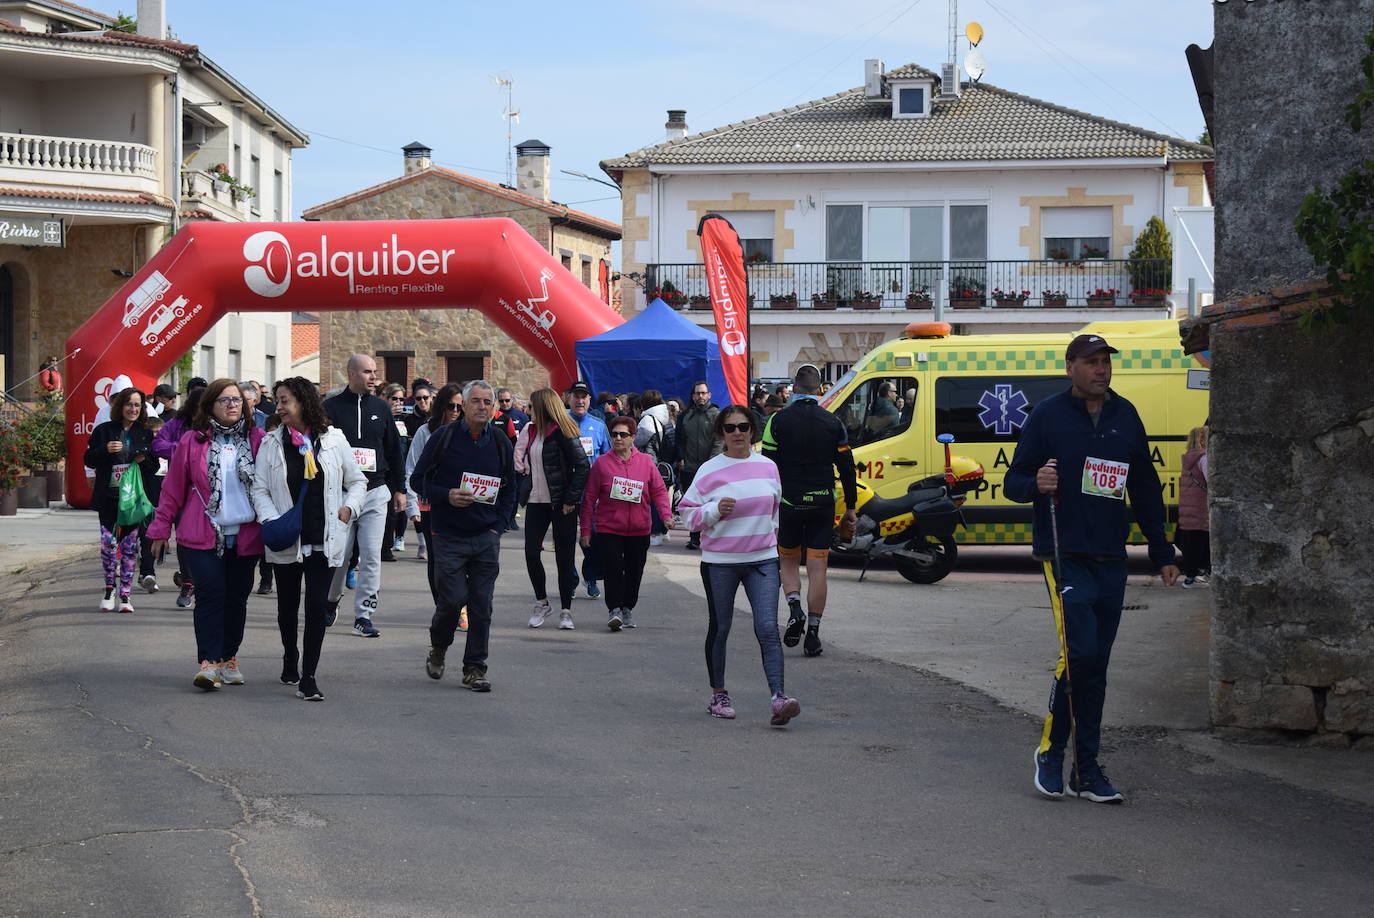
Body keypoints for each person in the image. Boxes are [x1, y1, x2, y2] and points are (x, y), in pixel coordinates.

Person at [1005, 333, 1180, 804]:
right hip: (1063, 555)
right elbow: (1013, 481)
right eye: (1091, 362)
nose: (1101, 370)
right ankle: (1051, 751)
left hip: (1111, 556)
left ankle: (1087, 769)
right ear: (1070, 368)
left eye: (1105, 362)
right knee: (1078, 655)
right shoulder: (1047, 416)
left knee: (1097, 665)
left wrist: (1163, 552)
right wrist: (1035, 482)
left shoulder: (1126, 416)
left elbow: (1144, 488)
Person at [678, 405, 800, 727]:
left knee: (767, 627)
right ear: (721, 433)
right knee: (721, 627)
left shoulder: (769, 467)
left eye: (743, 427)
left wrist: (772, 544)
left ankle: (779, 698)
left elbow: (774, 511)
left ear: (752, 431)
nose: (737, 434)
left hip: (762, 558)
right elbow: (687, 514)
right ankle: (719, 695)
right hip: (721, 562)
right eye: (730, 428)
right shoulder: (708, 470)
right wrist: (715, 510)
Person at [250, 377, 367, 702]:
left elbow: (357, 481)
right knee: (287, 607)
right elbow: (259, 488)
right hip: (288, 536)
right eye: (278, 401)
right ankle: (290, 656)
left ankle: (309, 677)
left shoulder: (333, 440)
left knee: (316, 608)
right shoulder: (272, 443)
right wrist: (271, 518)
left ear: (303, 401)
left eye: (285, 400)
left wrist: (348, 508)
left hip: (324, 537)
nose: (279, 407)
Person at [148, 379, 266, 691]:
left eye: (237, 400)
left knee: (236, 599)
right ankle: (209, 663)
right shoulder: (192, 441)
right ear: (210, 405)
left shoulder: (258, 439)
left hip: (246, 534)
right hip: (202, 533)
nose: (232, 405)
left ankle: (229, 658)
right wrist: (160, 529)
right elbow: (172, 491)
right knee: (211, 596)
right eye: (224, 400)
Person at [410, 380, 515, 692]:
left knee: (482, 606)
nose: (482, 407)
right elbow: (418, 479)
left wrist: (499, 526)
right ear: (464, 405)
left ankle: (474, 668)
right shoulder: (444, 437)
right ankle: (439, 647)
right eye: (476, 402)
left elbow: (511, 488)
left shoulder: (499, 442)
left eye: (487, 402)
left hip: (485, 536)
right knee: (452, 601)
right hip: (448, 536)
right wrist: (446, 495)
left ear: (494, 407)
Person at [761, 364, 858, 658]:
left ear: (793, 388)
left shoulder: (777, 421)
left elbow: (767, 466)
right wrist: (851, 507)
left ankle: (794, 609)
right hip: (822, 502)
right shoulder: (833, 422)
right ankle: (813, 634)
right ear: (819, 390)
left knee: (788, 563)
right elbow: (847, 467)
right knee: (818, 569)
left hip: (789, 503)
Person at [323, 354, 406, 638]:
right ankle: (331, 602)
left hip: (375, 492)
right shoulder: (331, 407)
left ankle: (364, 615)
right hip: (342, 496)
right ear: (351, 374)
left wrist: (400, 489)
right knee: (340, 556)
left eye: (375, 372)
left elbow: (394, 450)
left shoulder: (381, 409)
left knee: (371, 557)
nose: (374, 377)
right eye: (368, 372)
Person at [580, 415, 673, 631]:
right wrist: (585, 529)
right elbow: (589, 499)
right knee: (613, 569)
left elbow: (658, 491)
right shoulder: (602, 464)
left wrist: (666, 515)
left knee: (635, 571)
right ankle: (614, 609)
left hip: (639, 528)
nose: (618, 438)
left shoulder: (646, 463)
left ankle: (627, 608)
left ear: (633, 438)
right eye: (614, 434)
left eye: (623, 435)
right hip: (609, 528)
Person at [515, 388, 591, 630]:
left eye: (531, 406)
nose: (528, 410)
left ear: (543, 407)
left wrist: (571, 498)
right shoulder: (530, 431)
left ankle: (566, 610)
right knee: (530, 552)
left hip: (562, 503)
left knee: (564, 557)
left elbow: (582, 466)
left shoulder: (563, 432)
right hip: (536, 501)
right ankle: (542, 602)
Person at [83, 387, 158, 612]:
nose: (133, 409)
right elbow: (89, 459)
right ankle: (109, 589)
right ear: (119, 407)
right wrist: (105, 450)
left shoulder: (145, 432)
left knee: (127, 547)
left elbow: (154, 467)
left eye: (137, 405)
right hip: (108, 497)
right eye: (129, 404)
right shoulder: (104, 430)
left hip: (133, 499)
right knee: (108, 545)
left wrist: (143, 459)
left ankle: (125, 595)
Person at [406, 383, 463, 616]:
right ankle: (443, 606)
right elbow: (411, 468)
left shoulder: (469, 431)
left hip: (463, 505)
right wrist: (412, 505)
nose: (456, 411)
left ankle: (460, 605)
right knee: (437, 559)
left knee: (461, 558)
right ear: (441, 407)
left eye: (460, 406)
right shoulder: (425, 432)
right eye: (451, 406)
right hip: (431, 504)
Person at [154, 384, 205, 608]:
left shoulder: (219, 426)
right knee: (184, 536)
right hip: (182, 489)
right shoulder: (178, 424)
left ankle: (204, 580)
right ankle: (188, 581)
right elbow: (158, 444)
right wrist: (181, 448)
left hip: (209, 493)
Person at [564, 380, 610, 593]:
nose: (580, 400)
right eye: (576, 396)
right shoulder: (561, 423)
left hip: (592, 494)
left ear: (589, 400)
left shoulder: (598, 425)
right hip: (566, 493)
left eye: (584, 396)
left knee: (591, 538)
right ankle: (570, 581)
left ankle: (590, 576)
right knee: (565, 540)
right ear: (569, 398)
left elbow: (608, 458)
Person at [677, 381, 721, 551]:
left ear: (709, 395)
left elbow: (719, 440)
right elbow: (680, 440)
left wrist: (711, 463)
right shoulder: (686, 415)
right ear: (693, 396)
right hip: (689, 468)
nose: (700, 396)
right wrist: (681, 458)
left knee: (709, 503)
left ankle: (711, 537)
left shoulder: (716, 415)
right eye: (697, 393)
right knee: (693, 504)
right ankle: (694, 537)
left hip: (709, 468)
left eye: (703, 393)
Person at [636, 389, 673, 545]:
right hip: (661, 462)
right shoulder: (663, 418)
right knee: (660, 498)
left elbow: (638, 442)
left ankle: (654, 533)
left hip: (649, 463)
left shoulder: (647, 419)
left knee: (651, 500)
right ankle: (663, 532)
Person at [1176, 426, 1211, 588]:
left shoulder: (1187, 459)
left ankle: (1190, 577)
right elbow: (1210, 480)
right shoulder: (1203, 458)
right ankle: (1203, 573)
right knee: (1204, 542)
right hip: (1201, 508)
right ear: (1204, 439)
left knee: (1192, 544)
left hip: (1188, 508)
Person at [381, 382, 411, 559]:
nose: (398, 402)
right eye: (395, 398)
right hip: (382, 468)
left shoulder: (405, 419)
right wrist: (389, 416)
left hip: (398, 469)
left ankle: (387, 547)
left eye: (401, 399)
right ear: (386, 399)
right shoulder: (383, 415)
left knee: (394, 512)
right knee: (382, 511)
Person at [495, 387, 530, 532]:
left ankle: (511, 518)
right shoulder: (495, 416)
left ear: (512, 400)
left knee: (515, 490)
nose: (504, 403)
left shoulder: (520, 416)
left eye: (507, 400)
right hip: (498, 461)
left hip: (517, 459)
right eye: (501, 400)